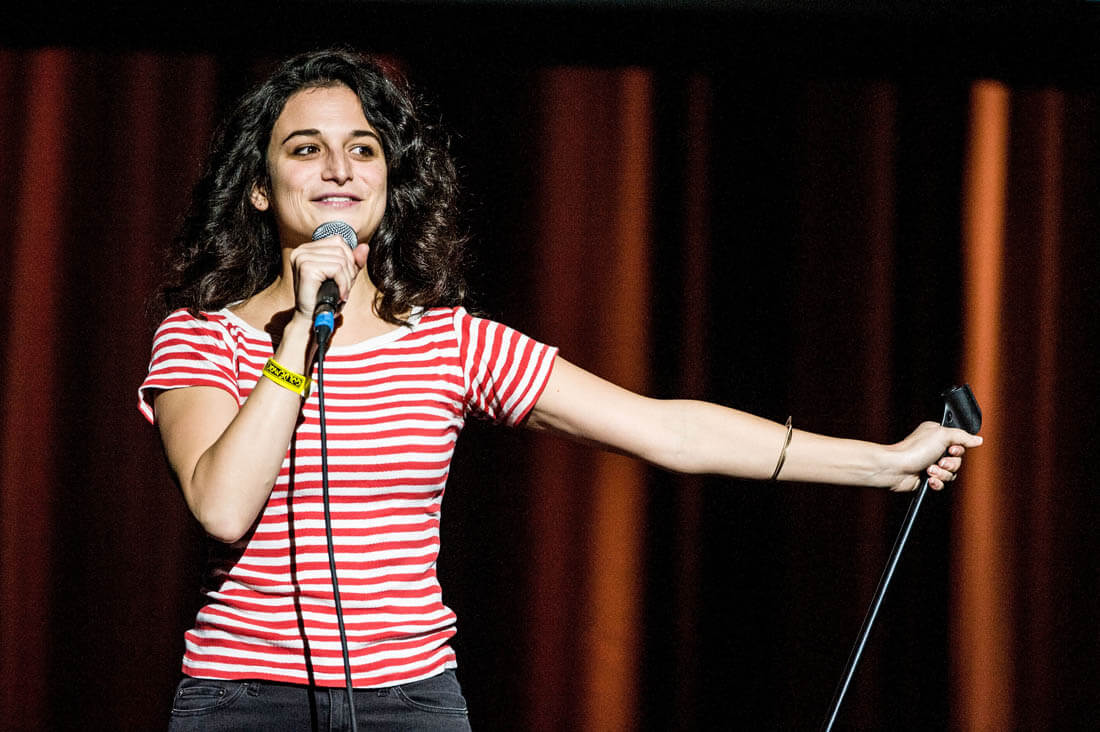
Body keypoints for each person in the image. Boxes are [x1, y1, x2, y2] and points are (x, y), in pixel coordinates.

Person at [138, 48, 981, 731]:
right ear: (258, 186)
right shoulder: (203, 337)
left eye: (363, 148)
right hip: (241, 700)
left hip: (411, 704)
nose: (339, 168)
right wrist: (295, 342)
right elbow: (222, 507)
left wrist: (883, 464)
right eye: (305, 147)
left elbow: (664, 430)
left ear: (388, 187)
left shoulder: (447, 339)